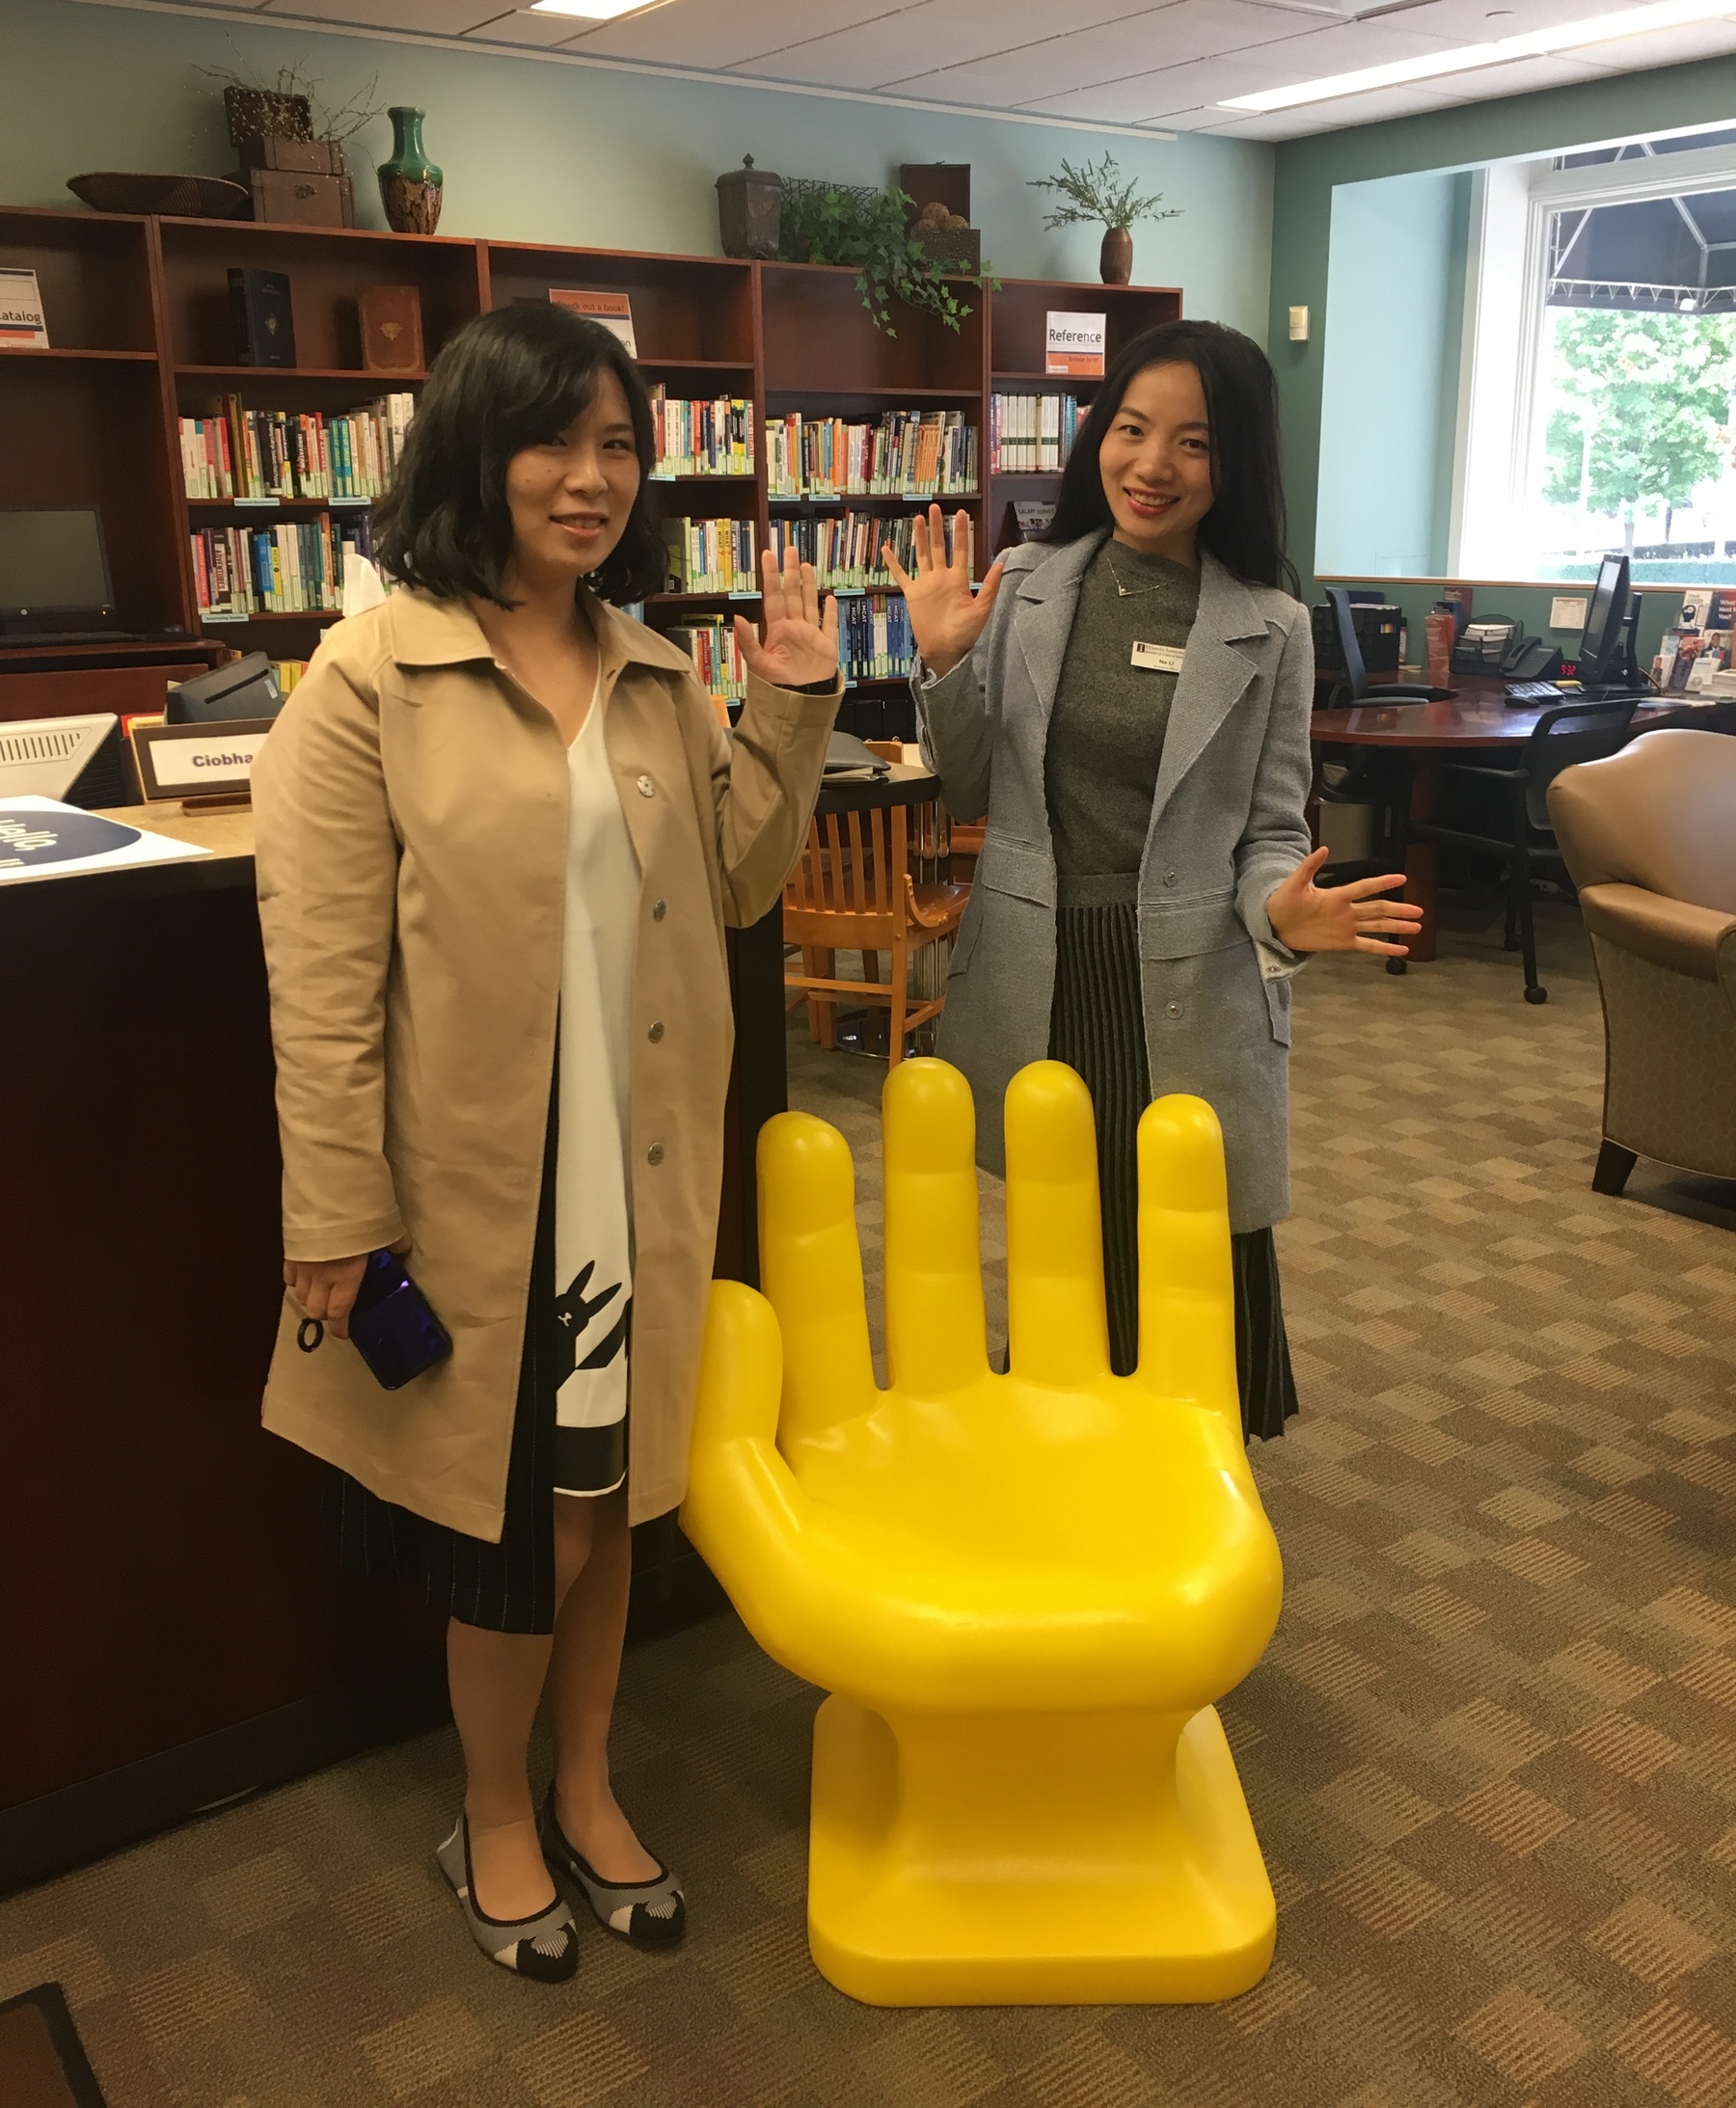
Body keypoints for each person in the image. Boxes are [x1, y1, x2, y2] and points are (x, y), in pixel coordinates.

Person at [251, 301, 841, 1983]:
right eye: (553, 442)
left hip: (637, 1170)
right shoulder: (372, 679)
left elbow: (734, 884)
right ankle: (492, 1814)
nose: (591, 480)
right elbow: (321, 981)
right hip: (478, 1190)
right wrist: (340, 1210)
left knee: (607, 1505)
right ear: (473, 454)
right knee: (523, 1528)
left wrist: (791, 704)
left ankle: (588, 1788)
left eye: (618, 445)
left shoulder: (654, 669)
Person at [894, 319, 1421, 1435]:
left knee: (1187, 1221)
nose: (1152, 464)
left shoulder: (1270, 628)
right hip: (1041, 968)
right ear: (1100, 438)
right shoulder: (1029, 585)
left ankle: (1196, 1463)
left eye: (1192, 441)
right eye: (1132, 430)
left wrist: (1280, 909)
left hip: (1191, 970)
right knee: (1061, 1221)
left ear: (1232, 465)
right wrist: (944, 665)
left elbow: (1273, 826)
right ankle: (1067, 1434)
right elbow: (963, 792)